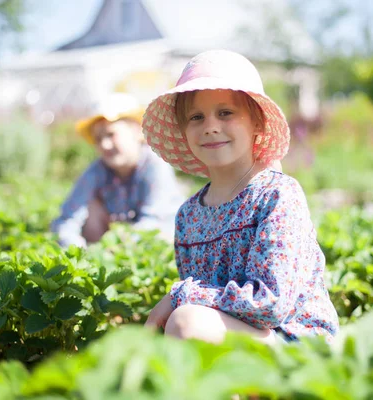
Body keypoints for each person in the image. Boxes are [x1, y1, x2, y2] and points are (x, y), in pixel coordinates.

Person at [142, 50, 339, 345]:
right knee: (182, 324)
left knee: (186, 321)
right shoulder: (188, 214)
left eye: (225, 113)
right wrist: (184, 300)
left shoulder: (276, 195)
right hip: (236, 340)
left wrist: (182, 295)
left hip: (297, 346)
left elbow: (270, 305)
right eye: (196, 117)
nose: (210, 125)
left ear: (257, 122)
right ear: (183, 132)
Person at [51, 93, 186, 248]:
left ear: (137, 131)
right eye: (98, 139)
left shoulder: (154, 165)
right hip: (119, 242)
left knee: (162, 237)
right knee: (90, 207)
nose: (105, 145)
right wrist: (74, 246)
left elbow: (153, 223)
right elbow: (67, 218)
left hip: (163, 237)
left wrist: (115, 246)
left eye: (111, 134)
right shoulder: (97, 171)